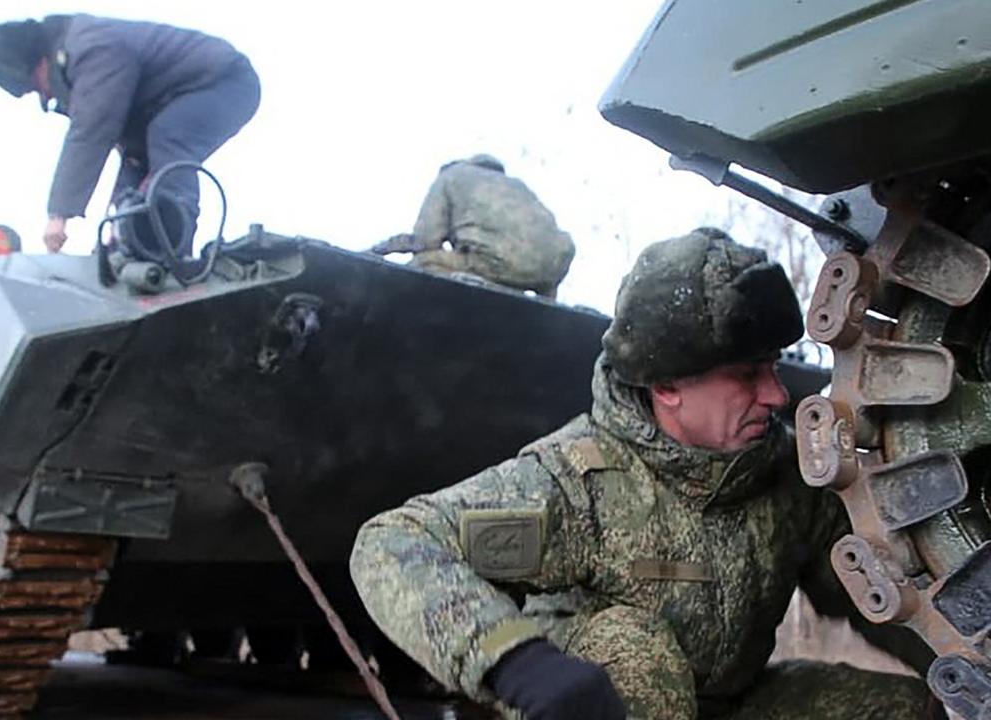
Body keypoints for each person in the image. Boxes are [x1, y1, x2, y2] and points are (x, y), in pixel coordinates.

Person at [350, 227, 939, 719]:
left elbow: (870, 595)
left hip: (731, 703)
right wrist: (518, 662)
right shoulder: (575, 480)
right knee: (638, 656)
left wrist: (962, 661)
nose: (777, 394)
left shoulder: (785, 475)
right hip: (609, 706)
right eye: (745, 374)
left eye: (772, 367)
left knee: (902, 711)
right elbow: (392, 544)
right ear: (666, 387)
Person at [0, 15, 261, 253]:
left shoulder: (89, 48)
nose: (45, 95)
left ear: (39, 64)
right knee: (129, 196)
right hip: (166, 107)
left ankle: (171, 250)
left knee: (170, 139)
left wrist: (59, 215)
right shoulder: (75, 54)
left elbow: (92, 128)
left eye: (37, 88)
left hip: (222, 81)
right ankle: (129, 252)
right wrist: (117, 228)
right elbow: (123, 143)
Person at [371, 154, 575, 296]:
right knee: (527, 265)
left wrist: (381, 249)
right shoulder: (516, 185)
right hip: (550, 272)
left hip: (493, 261)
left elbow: (426, 240)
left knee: (422, 265)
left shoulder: (451, 175)